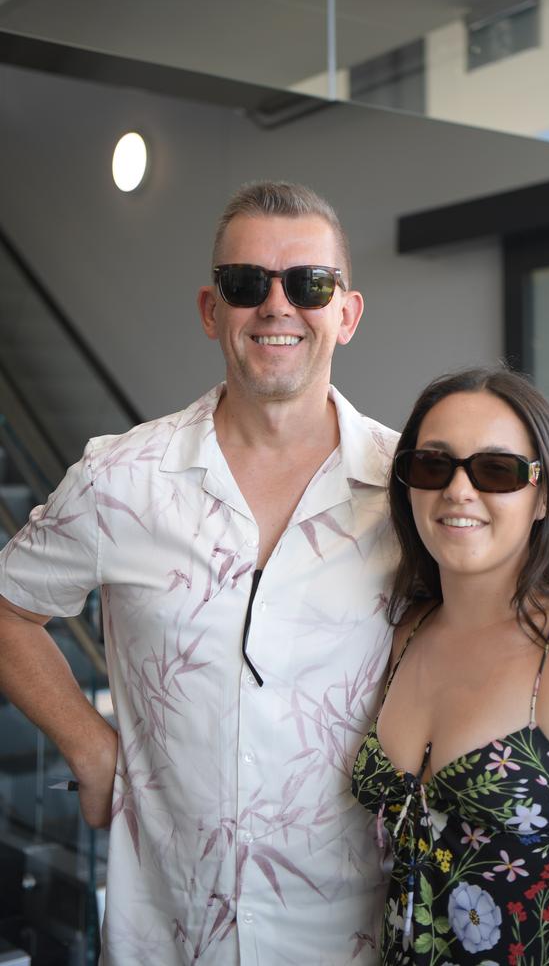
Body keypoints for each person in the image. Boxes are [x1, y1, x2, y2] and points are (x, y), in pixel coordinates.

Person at [0, 181, 400, 965]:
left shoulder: (411, 490)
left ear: (346, 313)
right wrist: (90, 746)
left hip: (356, 939)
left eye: (309, 284)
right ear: (211, 310)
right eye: (246, 284)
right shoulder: (121, 477)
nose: (277, 307)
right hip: (167, 933)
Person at [352, 366, 549, 965]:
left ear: (544, 496)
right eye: (434, 466)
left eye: (496, 470)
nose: (459, 491)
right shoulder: (399, 634)